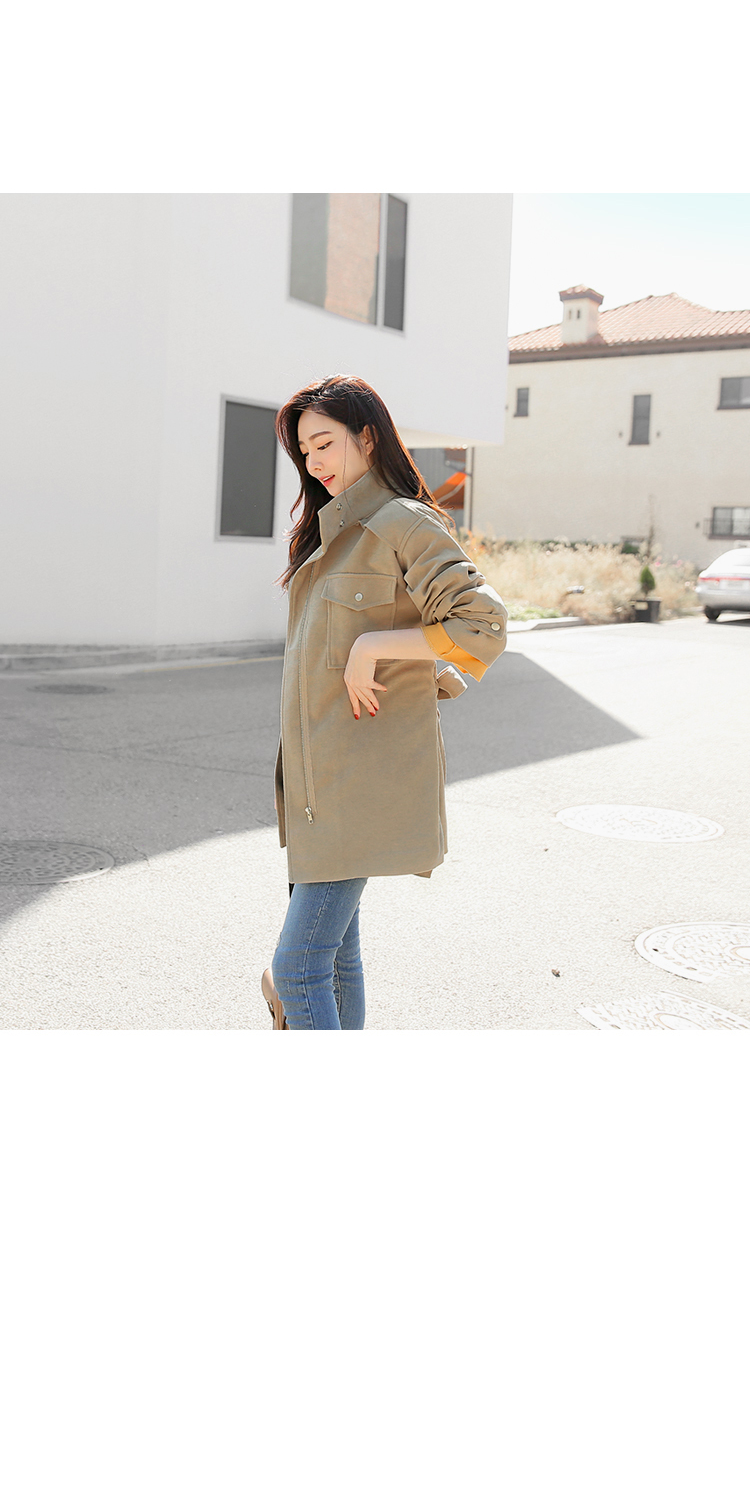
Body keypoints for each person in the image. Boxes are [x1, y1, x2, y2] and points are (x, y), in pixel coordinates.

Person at [262, 381, 508, 1034]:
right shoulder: (332, 533)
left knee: (298, 968)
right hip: (320, 780)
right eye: (304, 451)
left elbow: (481, 624)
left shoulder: (403, 522)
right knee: (336, 961)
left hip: (359, 784)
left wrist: (377, 647)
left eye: (325, 443)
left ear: (367, 437)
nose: (314, 462)